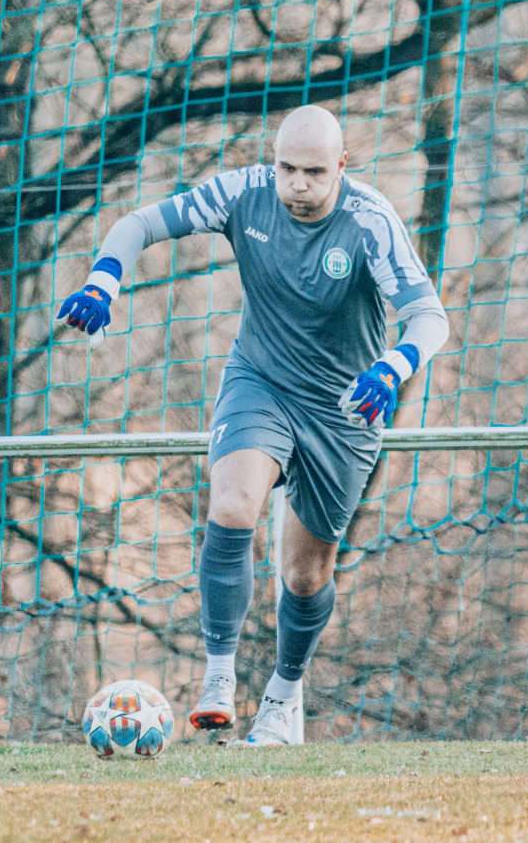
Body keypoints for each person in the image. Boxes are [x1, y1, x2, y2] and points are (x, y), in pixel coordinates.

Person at [57, 106, 448, 744]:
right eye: (287, 168)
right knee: (233, 505)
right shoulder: (244, 193)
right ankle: (218, 678)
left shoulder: (371, 221)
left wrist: (391, 368)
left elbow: (429, 317)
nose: (297, 184)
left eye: (314, 172)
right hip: (260, 382)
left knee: (305, 576)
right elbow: (139, 224)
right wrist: (103, 282)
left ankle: (282, 700)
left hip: (346, 407)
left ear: (341, 166)